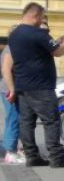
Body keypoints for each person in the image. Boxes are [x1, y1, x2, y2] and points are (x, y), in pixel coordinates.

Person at [4, 3, 64, 168]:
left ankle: (32, 156)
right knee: (51, 121)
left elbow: (37, 51)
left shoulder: (14, 34)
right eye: (42, 17)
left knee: (26, 123)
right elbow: (57, 51)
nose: (42, 20)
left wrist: (56, 41)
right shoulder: (38, 33)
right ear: (35, 16)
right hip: (41, 86)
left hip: (23, 86)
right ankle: (57, 158)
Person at [1, 35, 24, 165]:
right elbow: (6, 70)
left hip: (9, 88)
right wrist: (12, 89)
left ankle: (14, 149)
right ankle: (10, 152)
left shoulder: (11, 47)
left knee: (14, 119)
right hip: (9, 88)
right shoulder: (12, 48)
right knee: (14, 119)